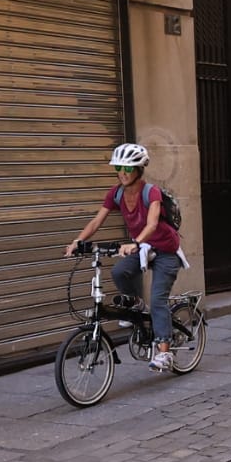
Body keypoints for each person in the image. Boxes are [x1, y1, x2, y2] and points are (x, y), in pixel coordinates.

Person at [64, 143, 185, 372]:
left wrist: (136, 243)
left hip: (166, 250)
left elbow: (151, 224)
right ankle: (136, 305)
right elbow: (96, 221)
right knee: (119, 272)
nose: (122, 172)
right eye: (118, 167)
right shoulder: (116, 193)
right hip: (142, 248)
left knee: (158, 299)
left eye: (128, 168)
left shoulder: (151, 193)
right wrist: (78, 241)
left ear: (139, 169)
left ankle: (165, 352)